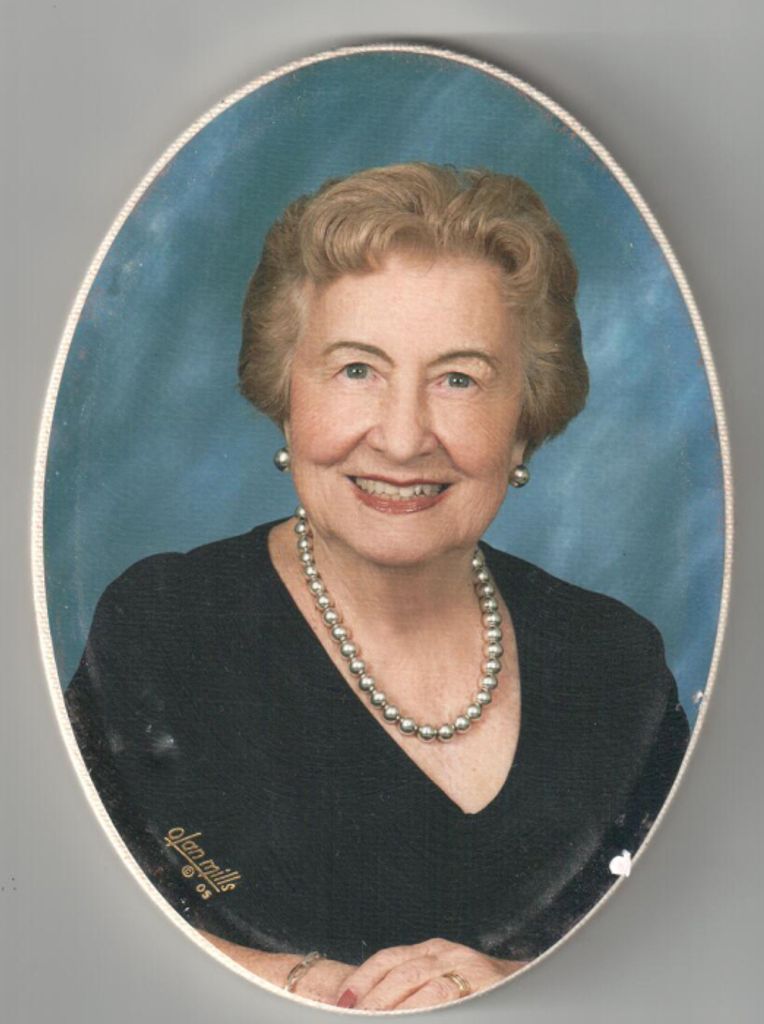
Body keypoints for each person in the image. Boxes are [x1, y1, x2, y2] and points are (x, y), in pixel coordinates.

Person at [64, 163, 689, 1011]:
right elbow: (62, 917)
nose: (401, 438)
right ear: (286, 394)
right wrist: (310, 989)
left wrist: (517, 990)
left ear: (524, 420)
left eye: (459, 378)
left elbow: (695, 951)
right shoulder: (167, 629)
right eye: (357, 369)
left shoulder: (616, 665)